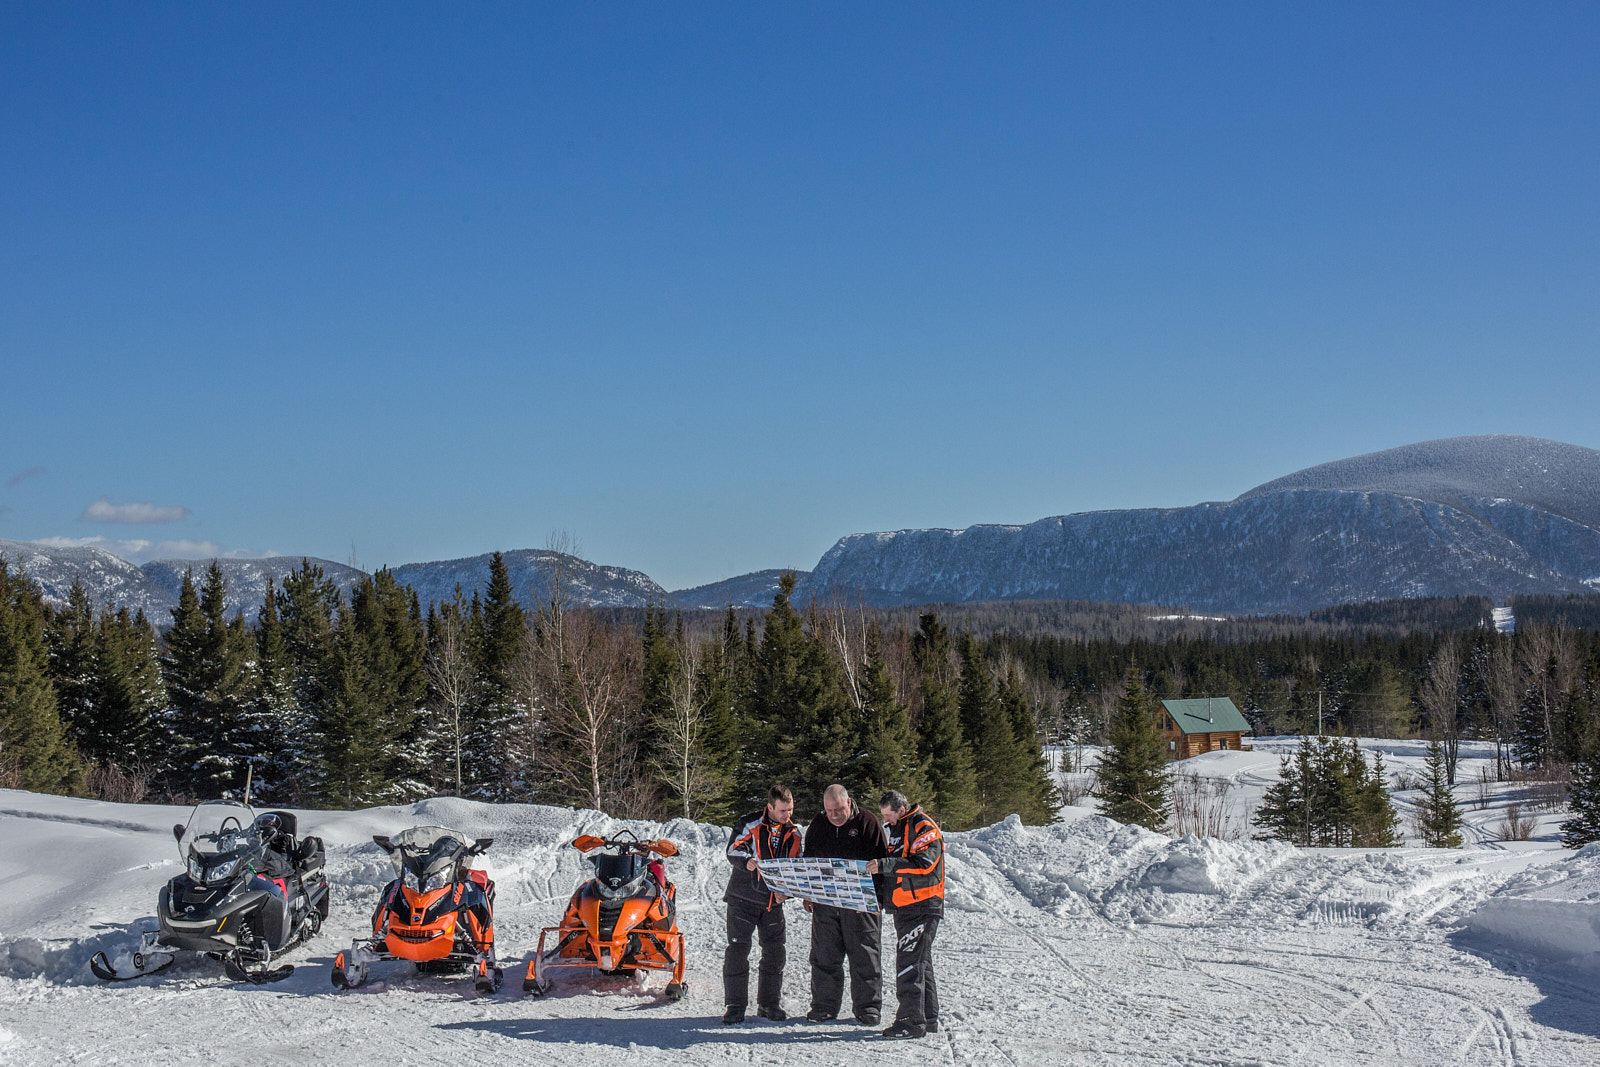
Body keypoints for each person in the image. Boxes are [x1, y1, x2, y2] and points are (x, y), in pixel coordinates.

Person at [802, 783, 889, 1025]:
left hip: (860, 903)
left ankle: (868, 1007)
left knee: (865, 956)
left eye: (839, 809)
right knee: (824, 956)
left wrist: (878, 898)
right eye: (829, 811)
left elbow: (883, 862)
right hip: (826, 901)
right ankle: (824, 1006)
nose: (835, 815)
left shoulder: (868, 823)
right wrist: (808, 893)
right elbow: (808, 861)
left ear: (849, 803)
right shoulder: (818, 825)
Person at [866, 790, 945, 1040]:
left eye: (889, 816)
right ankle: (927, 1017)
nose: (887, 821)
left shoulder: (923, 825)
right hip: (905, 906)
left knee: (909, 964)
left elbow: (924, 864)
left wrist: (885, 865)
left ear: (901, 810)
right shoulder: (898, 830)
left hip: (923, 905)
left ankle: (910, 1022)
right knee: (920, 962)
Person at [722, 784, 803, 1025]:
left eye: (790, 810)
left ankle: (769, 1003)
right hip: (743, 898)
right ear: (770, 807)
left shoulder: (795, 833)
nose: (787, 815)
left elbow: (797, 869)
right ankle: (735, 1006)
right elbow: (732, 849)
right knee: (737, 951)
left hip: (773, 904)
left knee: (775, 953)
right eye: (782, 811)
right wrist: (746, 860)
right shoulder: (750, 823)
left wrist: (786, 894)